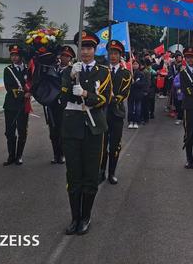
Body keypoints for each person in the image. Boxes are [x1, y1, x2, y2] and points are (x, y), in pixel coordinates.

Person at [60, 30, 112, 235]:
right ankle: (74, 217)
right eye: (82, 48)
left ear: (95, 49)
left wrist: (85, 93)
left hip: (93, 129)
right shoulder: (69, 71)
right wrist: (73, 78)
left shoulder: (103, 72)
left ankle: (85, 217)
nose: (85, 52)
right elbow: (63, 94)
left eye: (89, 48)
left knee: (90, 175)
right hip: (72, 128)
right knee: (73, 175)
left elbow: (103, 99)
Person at [100, 39, 131, 186]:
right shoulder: (101, 71)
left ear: (120, 55)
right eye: (110, 53)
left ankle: (112, 172)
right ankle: (101, 172)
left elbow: (124, 93)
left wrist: (113, 98)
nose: (113, 56)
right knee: (102, 143)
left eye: (116, 53)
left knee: (114, 145)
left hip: (117, 112)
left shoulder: (126, 73)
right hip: (103, 112)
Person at [3, 44, 31, 166]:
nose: (14, 58)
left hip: (23, 105)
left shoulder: (28, 69)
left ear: (21, 56)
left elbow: (31, 84)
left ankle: (19, 156)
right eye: (12, 55)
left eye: (16, 55)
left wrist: (30, 92)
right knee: (10, 131)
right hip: (10, 105)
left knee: (22, 131)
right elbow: (9, 87)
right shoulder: (8, 70)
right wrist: (23, 94)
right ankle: (11, 156)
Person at [48, 45, 75, 164]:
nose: (65, 58)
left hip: (65, 105)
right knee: (53, 131)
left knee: (63, 131)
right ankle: (55, 154)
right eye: (63, 55)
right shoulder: (53, 68)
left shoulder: (72, 70)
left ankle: (62, 154)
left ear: (70, 58)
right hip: (53, 104)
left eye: (67, 56)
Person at [128, 60, 146, 128]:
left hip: (138, 94)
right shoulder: (129, 73)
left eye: (136, 64)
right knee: (130, 109)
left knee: (138, 109)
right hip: (131, 94)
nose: (135, 65)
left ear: (139, 65)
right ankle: (130, 121)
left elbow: (143, 84)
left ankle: (136, 121)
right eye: (134, 64)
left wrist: (135, 83)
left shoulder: (141, 74)